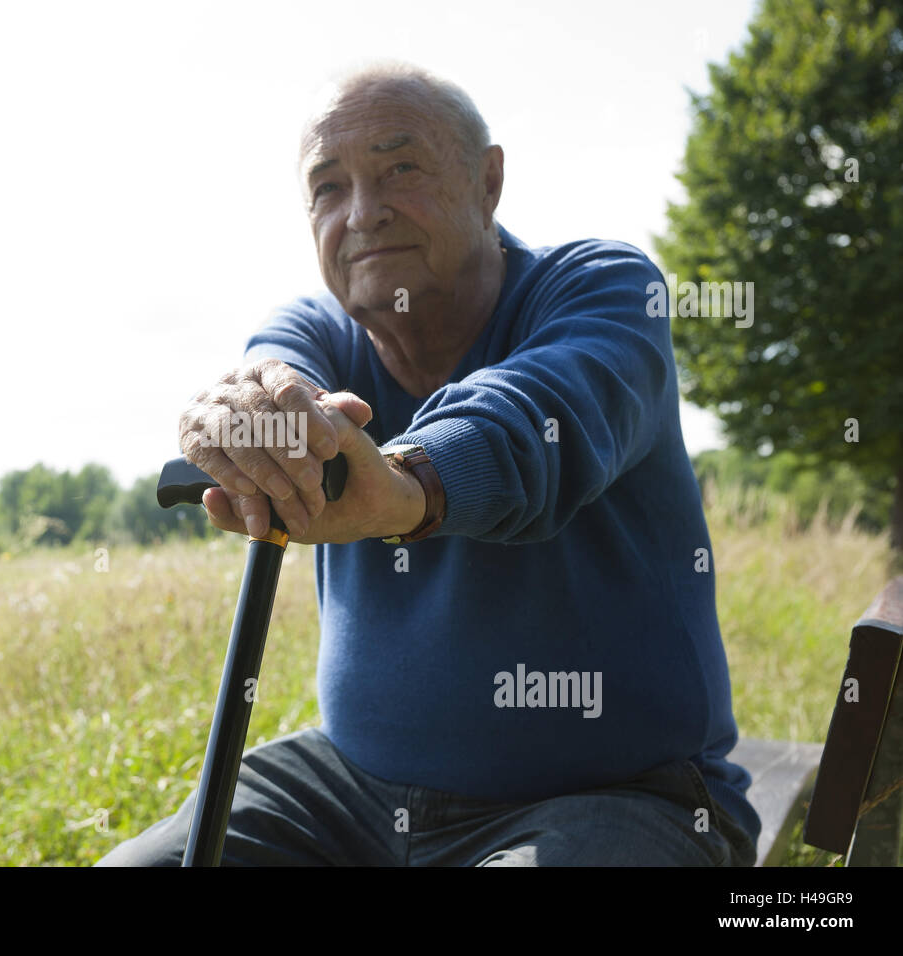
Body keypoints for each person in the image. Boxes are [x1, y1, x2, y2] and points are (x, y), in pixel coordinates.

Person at [97, 60, 760, 866]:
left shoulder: (603, 288)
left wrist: (404, 485)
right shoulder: (315, 331)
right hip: (354, 788)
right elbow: (274, 373)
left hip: (617, 793)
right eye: (329, 187)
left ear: (488, 183)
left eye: (400, 168)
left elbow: (534, 419)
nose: (363, 213)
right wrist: (248, 417)